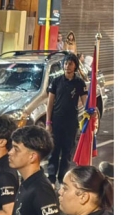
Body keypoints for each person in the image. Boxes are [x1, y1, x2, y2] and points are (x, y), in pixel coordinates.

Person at [45, 53, 87, 186]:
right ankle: (51, 178)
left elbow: (85, 103)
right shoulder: (56, 81)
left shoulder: (79, 83)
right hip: (56, 121)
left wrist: (89, 115)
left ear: (75, 66)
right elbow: (50, 104)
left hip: (71, 122)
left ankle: (62, 178)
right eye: (65, 63)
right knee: (54, 151)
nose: (67, 66)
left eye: (70, 64)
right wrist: (48, 122)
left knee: (67, 151)